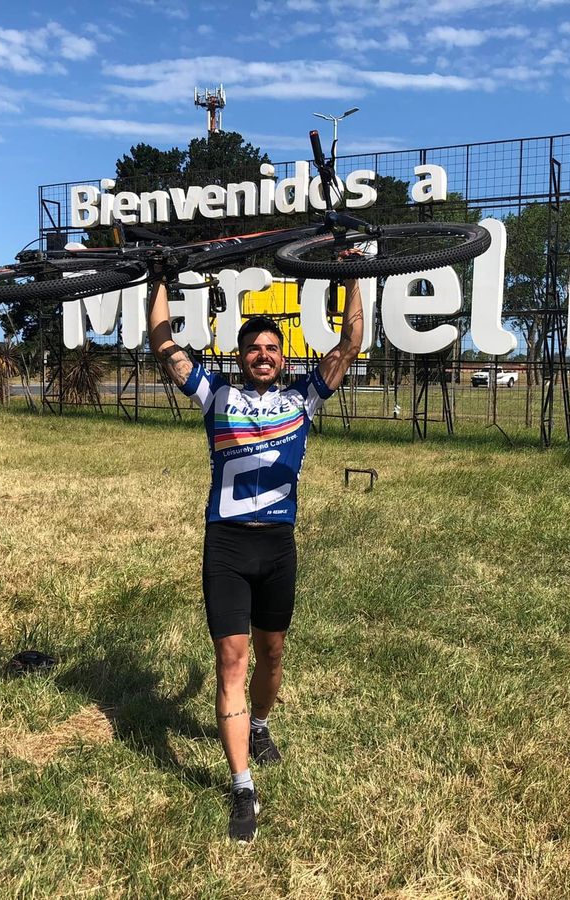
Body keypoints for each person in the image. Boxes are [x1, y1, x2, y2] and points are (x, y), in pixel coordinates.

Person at [147, 271, 363, 842]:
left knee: (272, 655)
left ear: (282, 357)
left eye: (271, 348)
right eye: (252, 348)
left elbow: (350, 345)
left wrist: (353, 279)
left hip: (277, 547)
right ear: (240, 356)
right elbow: (164, 345)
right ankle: (242, 786)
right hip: (226, 544)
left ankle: (260, 723)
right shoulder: (215, 394)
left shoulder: (303, 398)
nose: (262, 355)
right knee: (232, 662)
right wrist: (158, 281)